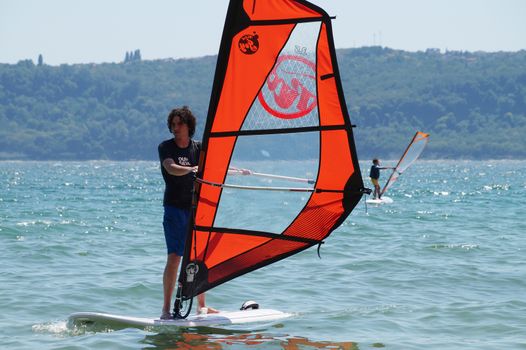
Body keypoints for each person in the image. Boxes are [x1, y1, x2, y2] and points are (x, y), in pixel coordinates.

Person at [158, 106, 218, 319]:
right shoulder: (166, 147)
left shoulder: (198, 148)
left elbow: (213, 170)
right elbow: (170, 167)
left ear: (188, 126)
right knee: (174, 257)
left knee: (199, 257)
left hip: (196, 209)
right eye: (172, 124)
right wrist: (191, 169)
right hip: (174, 209)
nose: (175, 128)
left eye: (179, 124)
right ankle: (165, 309)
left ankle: (202, 305)